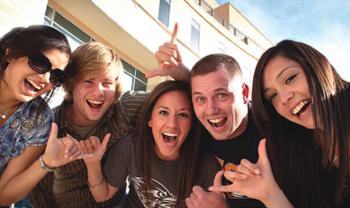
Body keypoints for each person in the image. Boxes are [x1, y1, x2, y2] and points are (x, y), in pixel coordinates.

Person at [29, 40, 185, 207]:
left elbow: (189, 105)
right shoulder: (47, 127)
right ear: (72, 83)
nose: (98, 92)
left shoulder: (126, 109)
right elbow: (35, 191)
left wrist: (181, 73)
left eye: (107, 83)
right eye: (88, 81)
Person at [209, 40, 350, 208]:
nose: (284, 98)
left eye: (290, 78)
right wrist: (270, 195)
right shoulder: (301, 151)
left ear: (319, 65)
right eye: (273, 96)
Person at [153, 42, 265, 207]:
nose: (211, 110)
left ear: (244, 93)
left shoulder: (272, 131)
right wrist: (182, 73)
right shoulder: (195, 124)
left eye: (221, 95)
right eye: (200, 99)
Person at [81, 80, 220, 208]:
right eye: (164, 112)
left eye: (183, 115)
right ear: (150, 120)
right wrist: (92, 164)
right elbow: (102, 195)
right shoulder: (130, 148)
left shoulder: (207, 166)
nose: (172, 124)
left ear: (192, 125)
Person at [0, 25, 83, 206]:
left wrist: (46, 162)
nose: (45, 79)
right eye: (40, 63)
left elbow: (3, 195)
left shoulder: (40, 120)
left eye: (56, 76)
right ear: (12, 53)